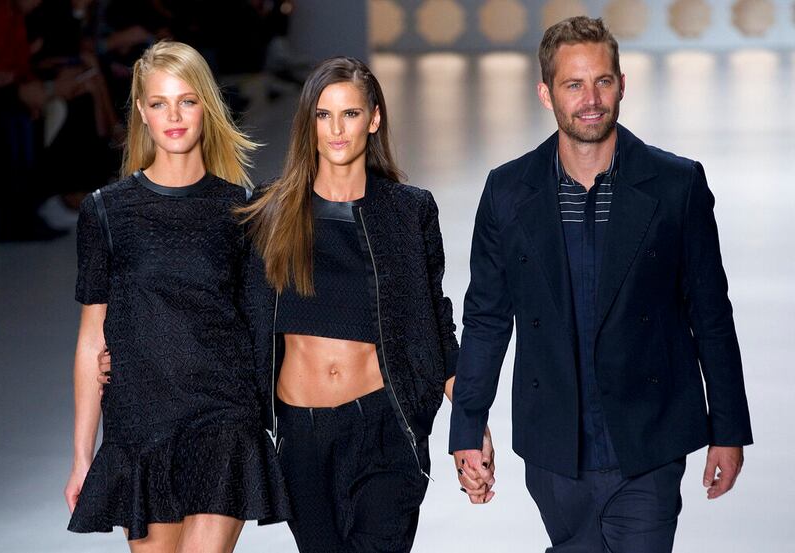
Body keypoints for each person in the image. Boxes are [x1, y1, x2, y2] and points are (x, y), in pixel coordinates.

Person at [449, 16, 752, 553]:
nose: (590, 100)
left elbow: (710, 313)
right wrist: (468, 425)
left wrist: (727, 429)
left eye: (602, 81)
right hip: (555, 447)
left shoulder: (676, 185)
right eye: (573, 84)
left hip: (649, 437)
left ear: (621, 84)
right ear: (546, 94)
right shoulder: (508, 192)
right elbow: (487, 318)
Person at [237, 56, 484, 553]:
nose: (336, 129)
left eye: (350, 114)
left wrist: (471, 425)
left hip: (383, 426)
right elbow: (233, 317)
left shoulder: (407, 211)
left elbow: (436, 325)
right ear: (308, 123)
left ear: (373, 119)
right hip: (301, 437)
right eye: (323, 115)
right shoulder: (271, 212)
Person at [64, 41, 290, 551]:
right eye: (159, 103)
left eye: (187, 101)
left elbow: (261, 323)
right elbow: (91, 340)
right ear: (141, 112)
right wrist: (82, 457)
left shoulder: (241, 209)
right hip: (142, 423)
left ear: (206, 107)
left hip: (223, 416)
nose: (173, 115)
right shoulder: (106, 212)